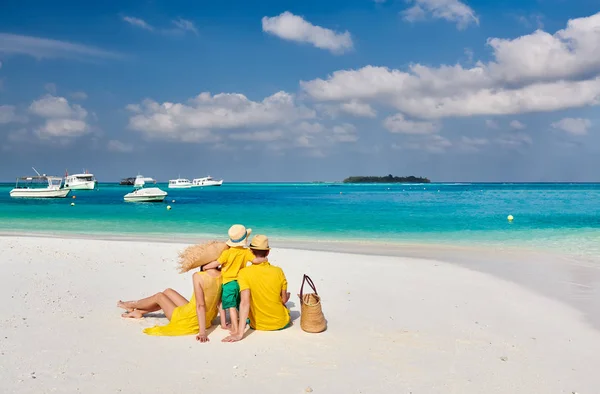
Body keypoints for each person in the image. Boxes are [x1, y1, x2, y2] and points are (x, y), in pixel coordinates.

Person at [117, 267, 224, 342]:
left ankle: (130, 305)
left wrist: (202, 332)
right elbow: (220, 303)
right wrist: (223, 324)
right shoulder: (221, 275)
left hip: (188, 318)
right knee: (168, 292)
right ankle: (139, 312)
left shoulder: (199, 276)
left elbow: (200, 305)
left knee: (159, 296)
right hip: (205, 318)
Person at [223, 234, 291, 343]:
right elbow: (283, 300)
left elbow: (245, 303)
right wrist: (286, 297)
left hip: (257, 325)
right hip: (281, 323)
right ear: (268, 252)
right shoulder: (278, 271)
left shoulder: (244, 273)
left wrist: (240, 334)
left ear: (250, 251)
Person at [202, 224, 254, 335]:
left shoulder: (227, 253)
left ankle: (235, 327)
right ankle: (246, 321)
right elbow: (255, 260)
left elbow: (217, 263)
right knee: (241, 303)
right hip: (241, 282)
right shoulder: (246, 252)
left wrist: (206, 267)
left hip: (228, 283)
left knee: (231, 306)